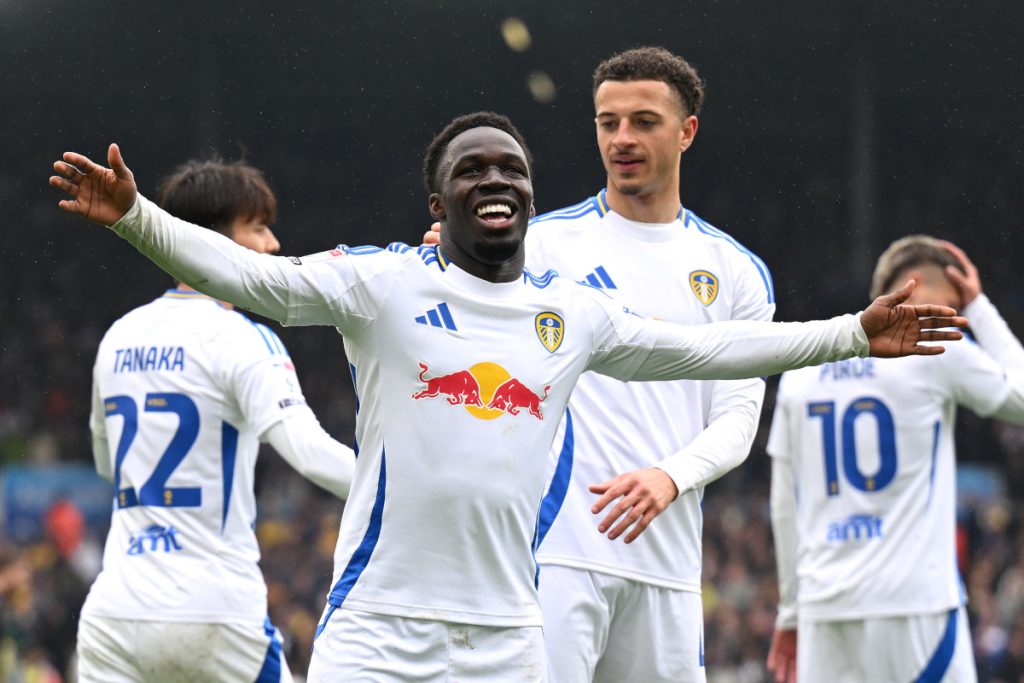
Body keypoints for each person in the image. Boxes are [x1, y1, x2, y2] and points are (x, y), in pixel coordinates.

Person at [51, 113, 963, 681]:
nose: (497, 180)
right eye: (473, 170)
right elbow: (261, 281)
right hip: (377, 632)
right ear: (437, 203)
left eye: (513, 170)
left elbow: (710, 348)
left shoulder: (573, 315)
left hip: (507, 641)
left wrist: (851, 332)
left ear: (530, 196)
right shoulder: (385, 284)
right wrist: (137, 217)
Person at [422, 47, 772, 682]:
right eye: (608, 123)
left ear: (687, 131)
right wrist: (447, 268)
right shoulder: (539, 246)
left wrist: (669, 476)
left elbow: (738, 419)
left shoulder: (736, 271)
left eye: (644, 121)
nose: (622, 139)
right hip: (555, 551)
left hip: (669, 567)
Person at [75, 159, 356, 683]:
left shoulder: (119, 336)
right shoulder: (241, 338)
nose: (273, 244)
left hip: (114, 616)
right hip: (214, 613)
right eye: (258, 227)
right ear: (211, 240)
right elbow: (311, 454)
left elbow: (106, 463)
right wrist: (409, 497)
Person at [766, 236, 1024, 683]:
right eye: (953, 305)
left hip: (825, 609)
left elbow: (784, 504)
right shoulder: (937, 344)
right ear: (915, 285)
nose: (955, 320)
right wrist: (980, 308)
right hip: (913, 603)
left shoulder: (802, 370)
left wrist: (790, 612)